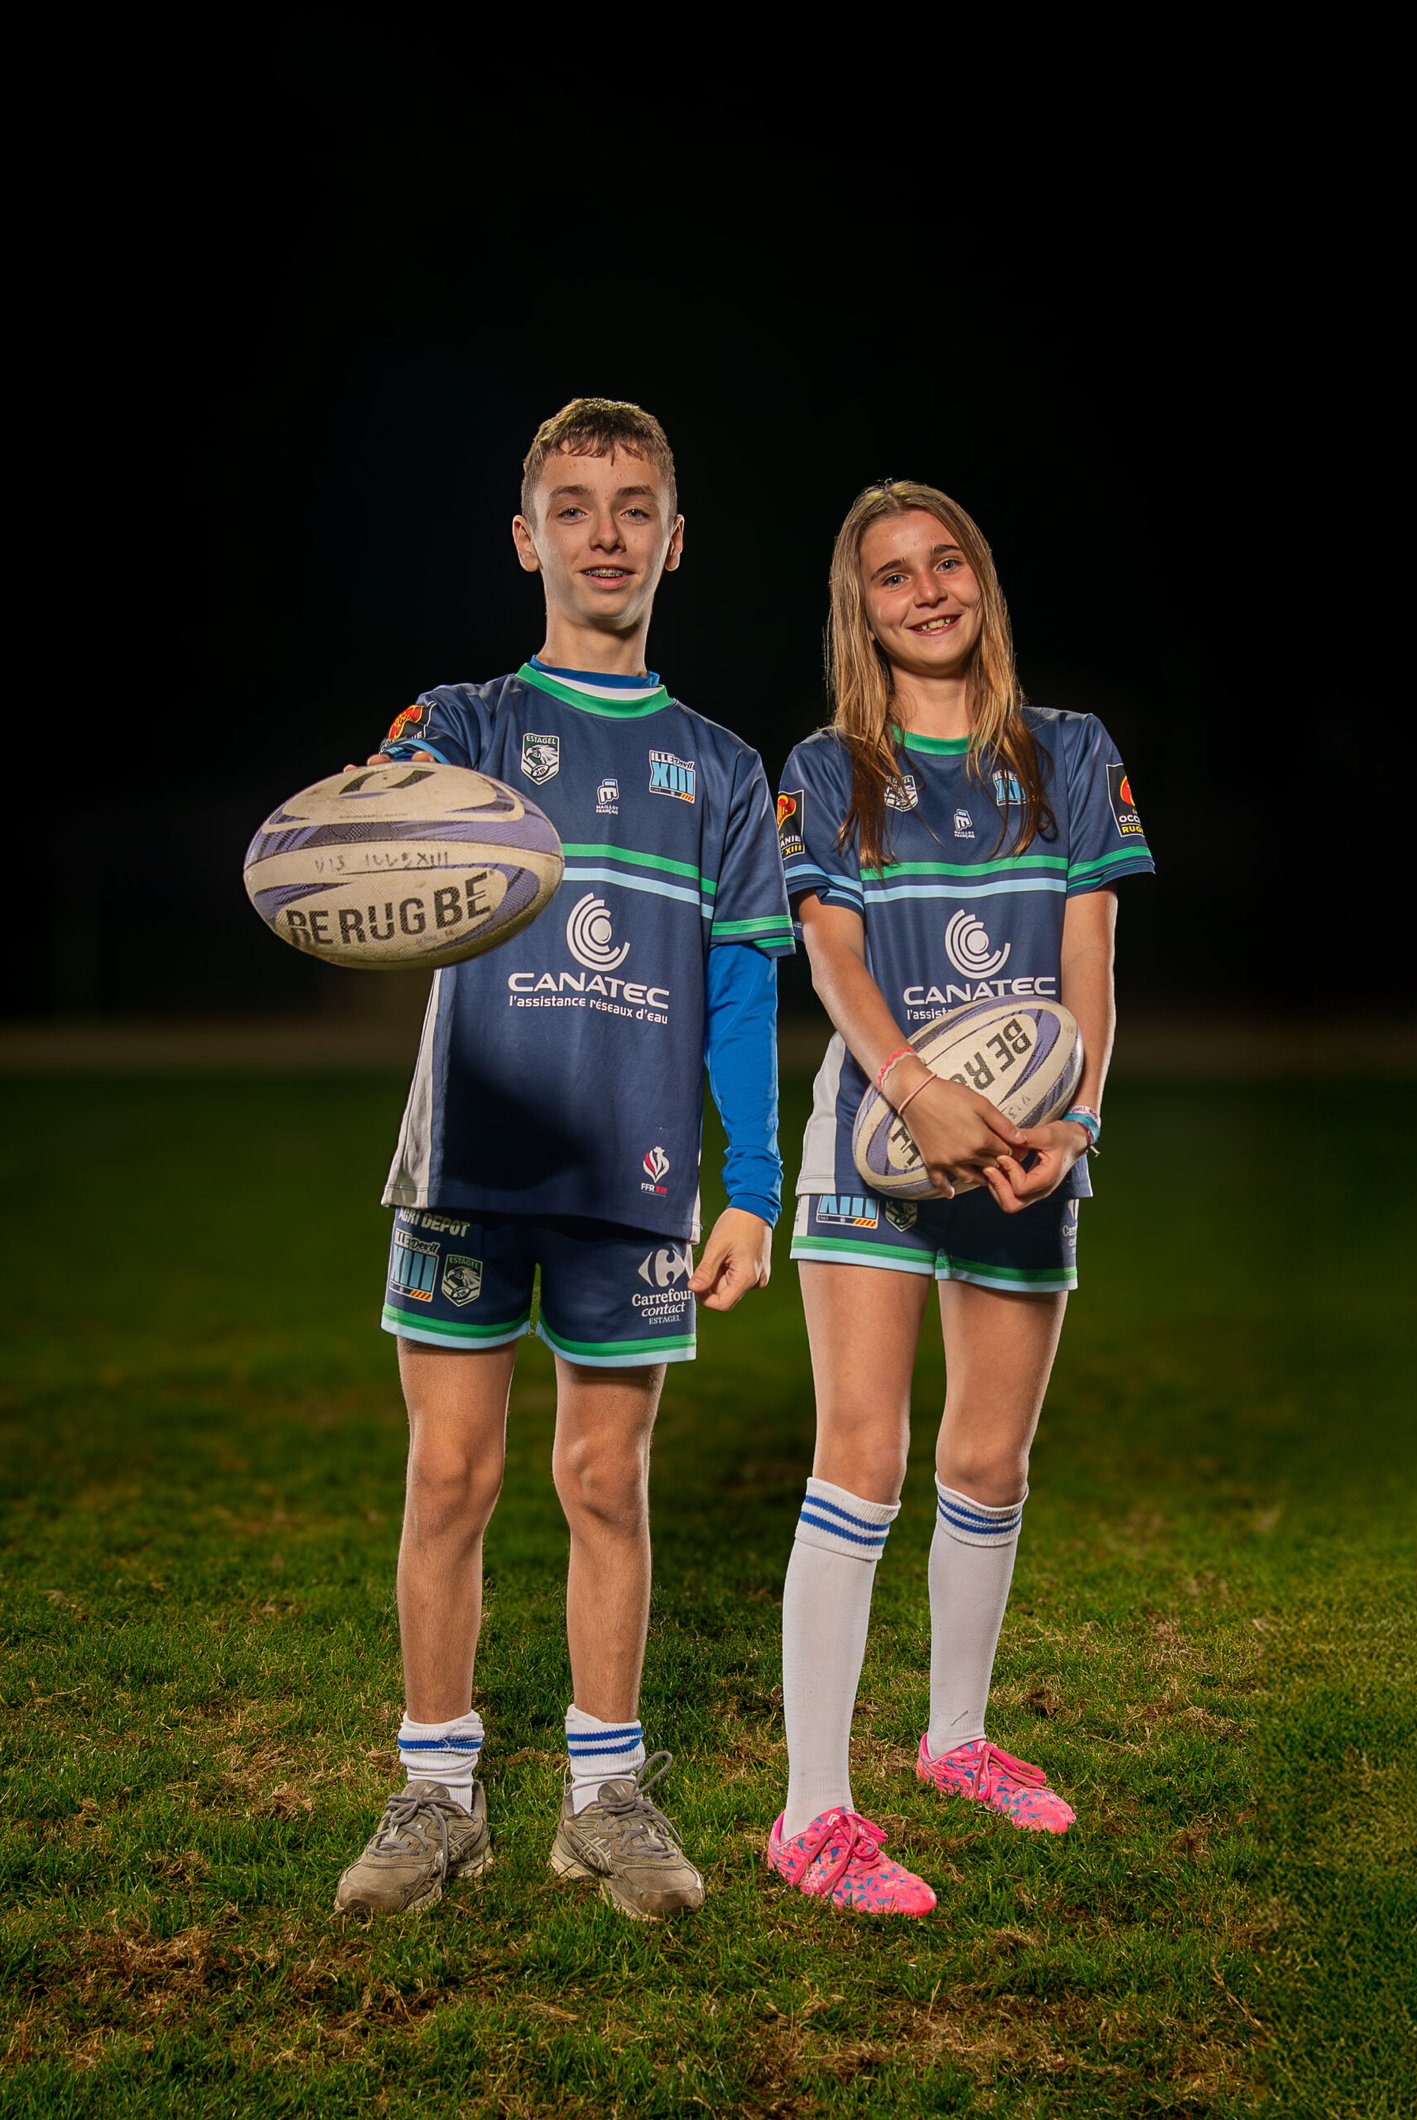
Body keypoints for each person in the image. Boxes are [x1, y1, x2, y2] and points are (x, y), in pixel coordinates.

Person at [334, 399, 793, 1920]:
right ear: (527, 538)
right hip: (472, 1159)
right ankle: (437, 1792)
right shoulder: (467, 723)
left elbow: (739, 991)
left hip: (636, 1177)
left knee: (607, 1477)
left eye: (636, 505)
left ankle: (606, 1796)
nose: (607, 533)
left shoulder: (721, 774)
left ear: (677, 539)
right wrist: (384, 795)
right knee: (449, 1472)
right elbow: (384, 817)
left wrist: (751, 1186)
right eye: (576, 506)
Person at [768, 479, 1155, 1915]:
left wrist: (1076, 1118)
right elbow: (834, 959)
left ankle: (955, 1741)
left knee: (987, 1466)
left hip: (1025, 1147)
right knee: (860, 1460)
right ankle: (812, 1814)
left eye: (947, 565)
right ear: (857, 609)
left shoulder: (1071, 751)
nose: (925, 591)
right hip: (882, 1139)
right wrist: (913, 1094)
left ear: (982, 581)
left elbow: (1089, 956)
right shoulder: (824, 767)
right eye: (891, 576)